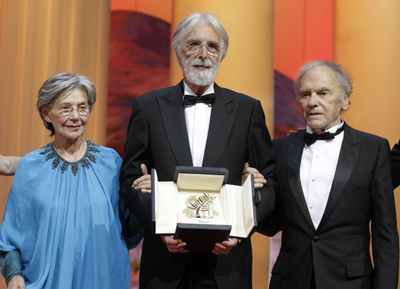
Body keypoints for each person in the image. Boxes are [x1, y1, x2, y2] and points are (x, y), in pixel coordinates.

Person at [119, 12, 276, 289]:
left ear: (222, 54)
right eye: (194, 44)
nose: (203, 54)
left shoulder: (247, 110)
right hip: (165, 265)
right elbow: (130, 178)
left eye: (213, 46)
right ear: (179, 51)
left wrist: (241, 229)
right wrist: (160, 225)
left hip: (227, 265)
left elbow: (269, 182)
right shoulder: (148, 107)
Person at [258, 61, 399, 289]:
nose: (313, 102)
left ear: (345, 100)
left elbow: (385, 235)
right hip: (291, 280)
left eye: (323, 93)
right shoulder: (280, 149)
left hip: (351, 283)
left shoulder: (373, 149)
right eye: (306, 94)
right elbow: (270, 224)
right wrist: (252, 194)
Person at [0, 73, 141, 289]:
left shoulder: (111, 163)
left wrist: (145, 194)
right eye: (66, 108)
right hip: (47, 282)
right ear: (47, 113)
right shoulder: (30, 167)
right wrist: (14, 276)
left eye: (82, 107)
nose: (76, 116)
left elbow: (130, 230)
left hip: (104, 280)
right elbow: (10, 239)